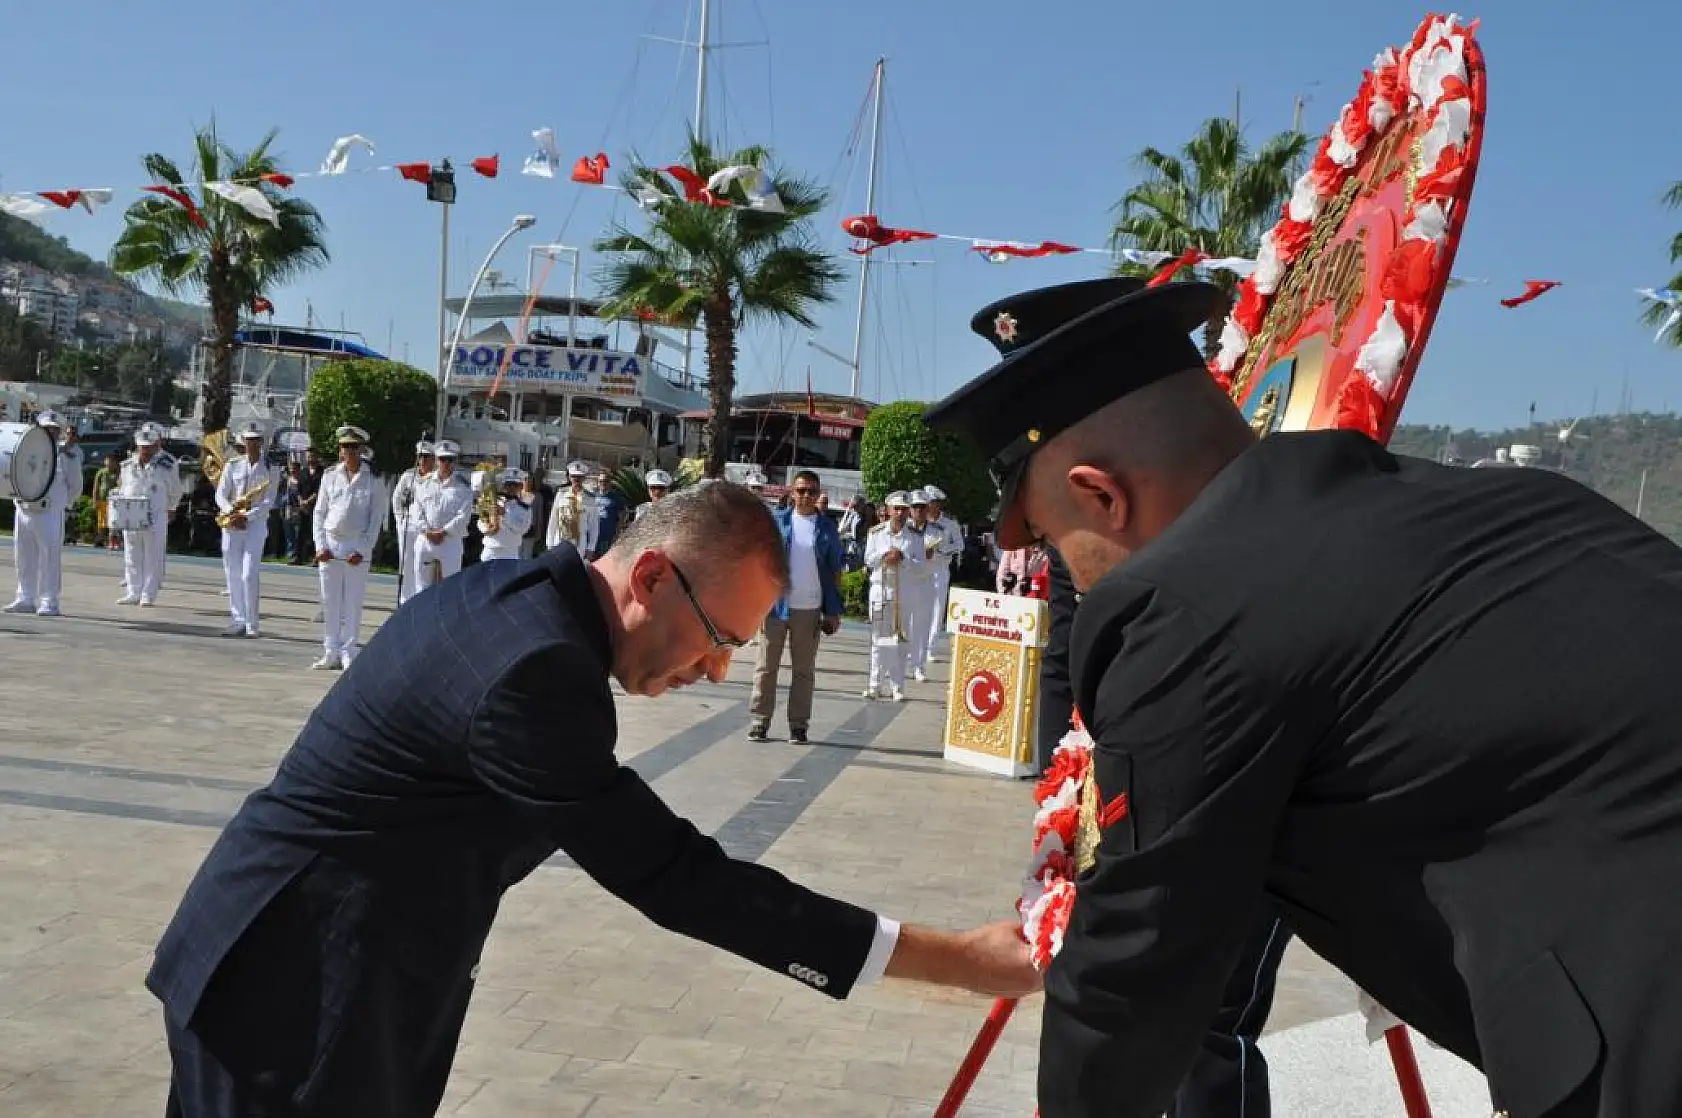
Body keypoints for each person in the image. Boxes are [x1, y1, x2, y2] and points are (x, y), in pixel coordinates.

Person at [927, 272, 1682, 1118]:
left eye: (1053, 544)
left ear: (1102, 495)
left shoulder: (1188, 609)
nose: (1071, 578)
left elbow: (1135, 971)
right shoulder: (1524, 503)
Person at [147, 481, 1039, 1118]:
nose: (717, 671)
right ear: (650, 577)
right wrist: (952, 959)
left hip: (300, 966)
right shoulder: (536, 671)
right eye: (719, 637)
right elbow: (675, 877)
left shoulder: (518, 599)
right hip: (297, 997)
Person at [748, 468, 843, 744]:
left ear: (818, 494)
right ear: (792, 492)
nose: (806, 496)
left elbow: (834, 571)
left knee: (803, 671)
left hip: (809, 609)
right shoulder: (777, 522)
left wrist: (833, 611)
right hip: (775, 607)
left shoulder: (827, 528)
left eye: (811, 491)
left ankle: (798, 725)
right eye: (801, 490)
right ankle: (760, 720)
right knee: (766, 667)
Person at [311, 426, 381, 671]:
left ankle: (349, 651)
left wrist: (361, 550)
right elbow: (319, 513)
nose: (349, 451)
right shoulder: (330, 475)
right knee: (330, 601)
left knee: (352, 602)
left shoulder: (373, 480)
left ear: (361, 449)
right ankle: (330, 651)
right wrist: (320, 546)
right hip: (331, 543)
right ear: (340, 450)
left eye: (353, 447)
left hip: (356, 543)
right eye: (345, 447)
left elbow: (375, 521)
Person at [4, 410, 82, 617]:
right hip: (24, 509)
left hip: (49, 512)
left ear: (60, 432)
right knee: (23, 557)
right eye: (46, 428)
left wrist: (60, 504)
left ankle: (49, 601)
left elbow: (75, 486)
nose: (50, 432)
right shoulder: (25, 450)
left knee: (49, 559)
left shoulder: (67, 455)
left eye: (54, 429)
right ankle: (25, 597)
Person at [214, 423, 277, 638]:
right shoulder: (233, 465)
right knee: (232, 573)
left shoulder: (271, 468)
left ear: (262, 442)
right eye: (249, 440)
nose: (252, 444)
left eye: (256, 440)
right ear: (244, 442)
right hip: (232, 523)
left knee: (249, 574)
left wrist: (247, 516)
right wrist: (231, 511)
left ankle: (252, 623)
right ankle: (237, 620)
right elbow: (221, 494)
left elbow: (269, 500)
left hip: (255, 526)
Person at [862, 491, 921, 701]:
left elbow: (920, 567)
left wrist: (902, 557)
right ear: (888, 510)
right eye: (896, 509)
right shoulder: (876, 532)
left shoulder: (915, 536)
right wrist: (885, 554)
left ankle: (897, 687)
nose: (900, 513)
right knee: (878, 639)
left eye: (904, 509)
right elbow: (868, 560)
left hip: (903, 593)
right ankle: (874, 685)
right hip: (880, 592)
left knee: (900, 641)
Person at [115, 422, 182, 607]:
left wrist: (171, 507)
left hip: (155, 515)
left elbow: (175, 490)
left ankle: (148, 593)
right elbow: (122, 487)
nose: (145, 451)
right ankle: (133, 591)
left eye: (148, 447)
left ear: (156, 445)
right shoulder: (128, 465)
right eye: (142, 447)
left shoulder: (167, 465)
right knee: (131, 554)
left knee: (153, 555)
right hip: (131, 514)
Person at [410, 440, 473, 592]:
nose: (446, 463)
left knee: (450, 589)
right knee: (421, 589)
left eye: (450, 460)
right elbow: (416, 510)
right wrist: (427, 531)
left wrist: (443, 532)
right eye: (443, 459)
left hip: (450, 540)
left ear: (455, 461)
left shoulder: (463, 487)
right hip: (426, 540)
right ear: (437, 460)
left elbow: (463, 516)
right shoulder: (424, 484)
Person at [920, 485, 964, 662]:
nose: (928, 505)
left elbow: (960, 545)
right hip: (921, 569)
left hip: (940, 569)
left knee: (937, 609)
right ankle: (916, 646)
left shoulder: (950, 524)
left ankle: (930, 648)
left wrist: (943, 550)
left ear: (938, 504)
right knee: (919, 607)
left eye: (932, 502)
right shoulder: (918, 522)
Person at [390, 440, 435, 605]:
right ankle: (404, 601)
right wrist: (400, 520)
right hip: (408, 525)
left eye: (426, 457)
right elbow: (397, 499)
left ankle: (420, 600)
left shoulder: (436, 478)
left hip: (426, 527)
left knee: (423, 564)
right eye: (420, 456)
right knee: (407, 563)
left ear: (433, 459)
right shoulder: (408, 476)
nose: (422, 460)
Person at [477, 468, 533, 560]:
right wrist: (485, 528)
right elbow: (481, 519)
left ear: (520, 487)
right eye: (509, 484)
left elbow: (522, 529)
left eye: (515, 485)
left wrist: (504, 515)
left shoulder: (524, 507)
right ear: (504, 486)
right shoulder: (494, 500)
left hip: (509, 552)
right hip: (490, 548)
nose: (511, 488)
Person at [545, 460, 599, 555]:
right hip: (560, 540)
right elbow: (553, 520)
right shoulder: (561, 494)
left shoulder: (590, 498)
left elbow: (594, 526)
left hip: (579, 543)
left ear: (584, 478)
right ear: (569, 477)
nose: (576, 479)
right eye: (573, 476)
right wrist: (549, 544)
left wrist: (591, 547)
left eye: (579, 477)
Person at [93, 452, 120, 550]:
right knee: (102, 521)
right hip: (103, 500)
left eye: (112, 461)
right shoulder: (101, 472)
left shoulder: (119, 473)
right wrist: (95, 500)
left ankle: (113, 540)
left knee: (114, 522)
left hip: (114, 502)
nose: (109, 463)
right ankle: (100, 539)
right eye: (107, 461)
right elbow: (96, 487)